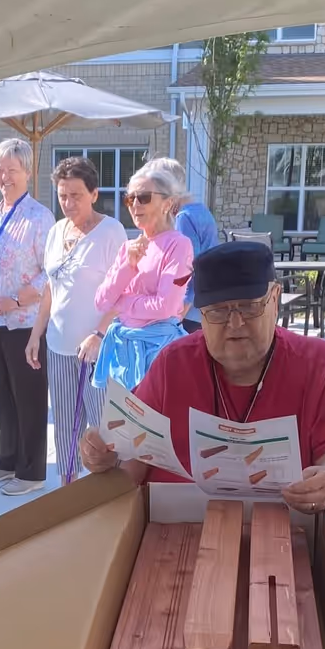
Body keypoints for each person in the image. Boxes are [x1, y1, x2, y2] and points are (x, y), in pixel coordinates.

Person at [81, 242, 325, 529]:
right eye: (218, 311)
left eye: (248, 307)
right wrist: (108, 455)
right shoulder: (174, 364)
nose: (235, 323)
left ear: (274, 299)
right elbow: (132, 456)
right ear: (201, 315)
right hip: (176, 535)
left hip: (291, 536)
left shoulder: (318, 364)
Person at [25, 156, 126, 483]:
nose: (68, 203)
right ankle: (69, 496)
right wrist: (35, 334)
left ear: (94, 194)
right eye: (63, 195)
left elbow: (123, 293)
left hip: (98, 352)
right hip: (58, 347)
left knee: (102, 431)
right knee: (66, 431)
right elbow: (50, 289)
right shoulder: (55, 232)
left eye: (76, 195)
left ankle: (110, 497)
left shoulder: (112, 232)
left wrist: (98, 334)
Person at [0, 138, 54, 495]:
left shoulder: (40, 217)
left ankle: (31, 472)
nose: (5, 177)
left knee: (28, 397)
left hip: (24, 323)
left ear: (28, 172)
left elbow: (50, 273)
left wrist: (17, 300)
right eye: (0, 170)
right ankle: (8, 460)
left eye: (12, 170)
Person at [91, 159, 194, 390]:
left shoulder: (179, 245)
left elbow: (165, 307)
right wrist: (128, 266)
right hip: (124, 355)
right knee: (123, 424)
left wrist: (123, 302)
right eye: (130, 198)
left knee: (156, 424)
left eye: (144, 197)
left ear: (167, 203)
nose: (135, 204)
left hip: (158, 353)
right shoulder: (129, 247)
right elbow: (101, 301)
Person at [146, 156, 219, 332]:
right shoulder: (200, 210)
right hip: (207, 306)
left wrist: (178, 314)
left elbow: (188, 270)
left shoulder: (183, 218)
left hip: (191, 314)